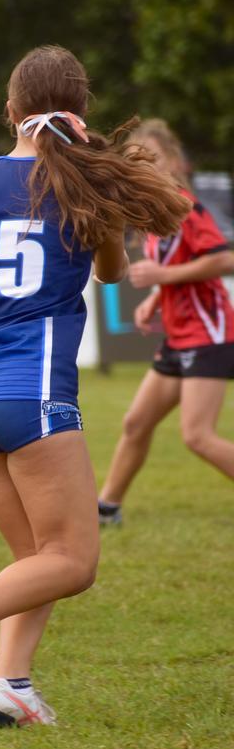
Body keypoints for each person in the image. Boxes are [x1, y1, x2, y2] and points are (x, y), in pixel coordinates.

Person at [0, 46, 190, 724]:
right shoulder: (88, 186)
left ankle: (13, 687)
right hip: (32, 399)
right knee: (73, 560)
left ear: (11, 113)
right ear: (82, 111)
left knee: (37, 556)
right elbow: (113, 275)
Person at [97, 119, 234, 526]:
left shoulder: (186, 208)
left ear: (175, 161)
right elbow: (183, 265)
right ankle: (107, 508)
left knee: (197, 436)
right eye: (138, 160)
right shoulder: (155, 216)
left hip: (208, 335)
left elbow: (224, 259)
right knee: (136, 422)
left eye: (154, 159)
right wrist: (156, 298)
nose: (147, 167)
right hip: (180, 337)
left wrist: (160, 279)